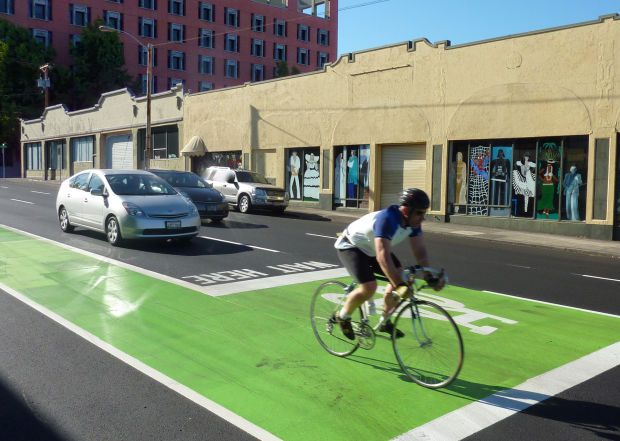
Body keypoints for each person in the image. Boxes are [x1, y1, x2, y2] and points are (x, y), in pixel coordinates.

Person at [333, 188, 446, 340]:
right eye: (420, 213)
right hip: (352, 246)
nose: (423, 218)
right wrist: (400, 285)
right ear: (406, 210)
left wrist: (428, 276)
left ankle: (385, 321)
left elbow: (420, 250)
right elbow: (383, 257)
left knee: (401, 277)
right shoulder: (388, 219)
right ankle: (343, 316)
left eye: (424, 213)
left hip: (373, 249)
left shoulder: (413, 222)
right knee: (370, 287)